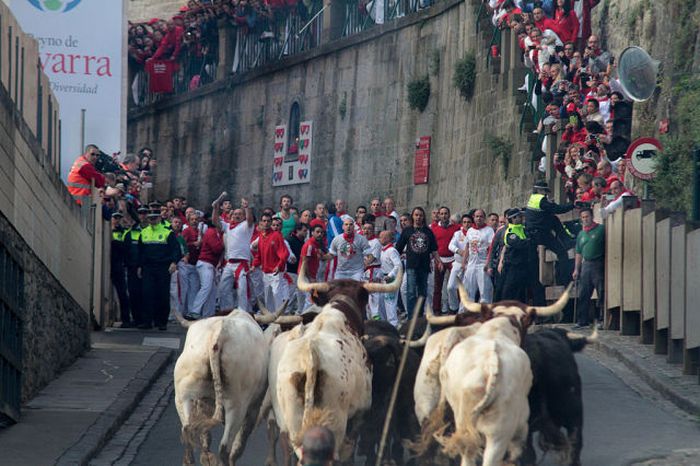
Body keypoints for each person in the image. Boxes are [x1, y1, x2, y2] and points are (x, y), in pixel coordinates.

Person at [525, 180, 575, 284]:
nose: (546, 194)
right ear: (539, 190)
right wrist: (572, 205)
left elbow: (542, 212)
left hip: (532, 234)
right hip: (541, 233)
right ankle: (565, 281)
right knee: (562, 253)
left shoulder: (533, 198)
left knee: (553, 219)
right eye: (545, 191)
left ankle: (566, 239)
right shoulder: (541, 200)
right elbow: (557, 209)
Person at [138, 209, 181, 330]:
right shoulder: (144, 232)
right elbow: (140, 252)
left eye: (155, 218)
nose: (152, 220)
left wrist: (174, 262)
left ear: (159, 219)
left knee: (162, 294)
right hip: (148, 268)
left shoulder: (168, 232)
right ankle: (147, 321)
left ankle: (161, 322)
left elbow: (176, 249)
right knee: (147, 294)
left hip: (163, 267)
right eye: (150, 218)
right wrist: (140, 266)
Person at [396, 207, 441, 318]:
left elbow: (434, 249)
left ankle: (419, 316)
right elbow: (398, 248)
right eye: (416, 215)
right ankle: (411, 317)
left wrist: (439, 261)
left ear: (423, 217)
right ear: (412, 216)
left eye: (420, 215)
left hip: (424, 266)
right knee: (411, 292)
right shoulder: (407, 231)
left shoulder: (428, 232)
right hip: (411, 266)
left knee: (422, 293)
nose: (418, 217)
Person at [215, 195, 255, 312]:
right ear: (231, 216)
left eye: (239, 214)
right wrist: (215, 208)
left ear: (243, 216)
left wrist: (246, 208)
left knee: (242, 290)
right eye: (235, 214)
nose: (237, 215)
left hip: (242, 263)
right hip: (229, 263)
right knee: (223, 288)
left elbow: (250, 219)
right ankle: (227, 311)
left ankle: (244, 313)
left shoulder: (246, 226)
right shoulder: (227, 226)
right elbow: (215, 221)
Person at [499, 208, 545, 305]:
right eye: (519, 216)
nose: (522, 218)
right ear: (514, 218)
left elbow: (533, 240)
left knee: (535, 288)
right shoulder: (510, 232)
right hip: (514, 266)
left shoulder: (523, 229)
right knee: (510, 291)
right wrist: (529, 241)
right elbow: (520, 244)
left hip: (526, 265)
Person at [572, 207, 605, 329]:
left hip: (598, 263)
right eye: (583, 217)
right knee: (583, 292)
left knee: (601, 291)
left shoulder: (601, 229)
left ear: (592, 217)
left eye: (587, 216)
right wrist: (576, 269)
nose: (585, 219)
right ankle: (582, 320)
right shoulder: (581, 234)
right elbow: (578, 252)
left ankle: (602, 319)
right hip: (586, 265)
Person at [189, 214, 225, 318]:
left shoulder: (215, 233)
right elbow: (217, 248)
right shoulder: (211, 232)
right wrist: (225, 243)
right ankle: (195, 311)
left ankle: (208, 313)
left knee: (212, 290)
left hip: (209, 264)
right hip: (205, 263)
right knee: (206, 287)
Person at [253, 212, 290, 311]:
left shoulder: (277, 235)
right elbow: (259, 254)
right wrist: (254, 265)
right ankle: (270, 321)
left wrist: (279, 265)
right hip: (265, 272)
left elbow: (284, 253)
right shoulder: (261, 236)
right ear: (260, 222)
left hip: (276, 272)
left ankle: (278, 320)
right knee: (268, 297)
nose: (266, 223)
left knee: (276, 295)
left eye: (268, 221)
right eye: (264, 221)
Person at [430, 206, 460, 314]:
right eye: (441, 214)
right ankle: (437, 309)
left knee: (454, 285)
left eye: (446, 213)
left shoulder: (456, 228)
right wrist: (437, 260)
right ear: (438, 215)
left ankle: (456, 308)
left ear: (449, 214)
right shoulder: (434, 229)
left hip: (453, 260)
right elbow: (432, 246)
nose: (443, 216)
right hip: (439, 260)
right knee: (438, 286)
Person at [464, 209, 495, 303]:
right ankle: (465, 312)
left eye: (481, 216)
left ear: (484, 218)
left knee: (485, 291)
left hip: (483, 264)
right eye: (477, 216)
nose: (479, 218)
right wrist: (464, 262)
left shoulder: (489, 230)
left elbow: (491, 248)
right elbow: (467, 246)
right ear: (473, 217)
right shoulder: (470, 230)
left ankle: (485, 312)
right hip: (471, 264)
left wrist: (488, 263)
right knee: (468, 290)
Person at [300, 224, 331, 309]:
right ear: (312, 233)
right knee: (309, 300)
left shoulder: (317, 245)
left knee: (312, 299)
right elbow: (304, 262)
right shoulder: (309, 245)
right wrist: (310, 277)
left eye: (321, 232)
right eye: (317, 232)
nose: (320, 234)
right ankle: (305, 320)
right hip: (307, 276)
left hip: (314, 276)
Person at [110, 211, 132, 327]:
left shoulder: (124, 232)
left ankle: (126, 319)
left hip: (118, 264)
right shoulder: (106, 230)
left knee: (122, 293)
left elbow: (126, 249)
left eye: (118, 218)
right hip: (108, 263)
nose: (117, 220)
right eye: (115, 217)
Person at [447, 214, 472, 313]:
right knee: (450, 287)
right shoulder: (458, 233)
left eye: (469, 222)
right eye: (465, 222)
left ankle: (463, 311)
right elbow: (450, 245)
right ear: (462, 223)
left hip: (469, 264)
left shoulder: (475, 233)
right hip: (457, 263)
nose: (466, 224)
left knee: (466, 289)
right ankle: (454, 307)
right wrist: (458, 251)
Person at [378, 230, 402, 327]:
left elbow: (398, 265)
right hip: (383, 278)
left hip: (390, 278)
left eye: (383, 236)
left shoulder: (392, 251)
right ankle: (384, 324)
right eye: (380, 236)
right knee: (382, 302)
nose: (380, 239)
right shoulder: (382, 250)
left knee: (390, 302)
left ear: (389, 238)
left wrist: (391, 275)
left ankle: (393, 324)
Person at [363, 220, 384, 320]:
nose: (366, 231)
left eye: (369, 229)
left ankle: (378, 323)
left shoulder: (375, 242)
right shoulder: (362, 241)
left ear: (373, 230)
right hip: (364, 273)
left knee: (374, 299)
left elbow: (371, 259)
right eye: (365, 229)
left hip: (373, 272)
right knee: (367, 299)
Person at [286, 223, 309, 313]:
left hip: (299, 272)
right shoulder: (290, 240)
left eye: (306, 231)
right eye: (304, 231)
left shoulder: (302, 242)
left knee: (301, 295)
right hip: (291, 272)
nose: (306, 233)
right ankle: (286, 313)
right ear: (298, 230)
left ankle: (300, 312)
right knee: (290, 295)